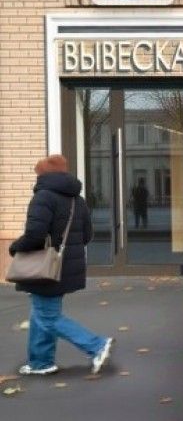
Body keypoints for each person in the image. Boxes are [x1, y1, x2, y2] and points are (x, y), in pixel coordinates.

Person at [8, 154, 114, 376]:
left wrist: (15, 247)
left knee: (48, 317)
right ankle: (41, 362)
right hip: (65, 267)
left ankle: (96, 345)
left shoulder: (43, 197)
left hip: (46, 267)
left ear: (43, 175)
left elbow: (35, 235)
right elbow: (87, 235)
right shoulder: (78, 200)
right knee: (41, 313)